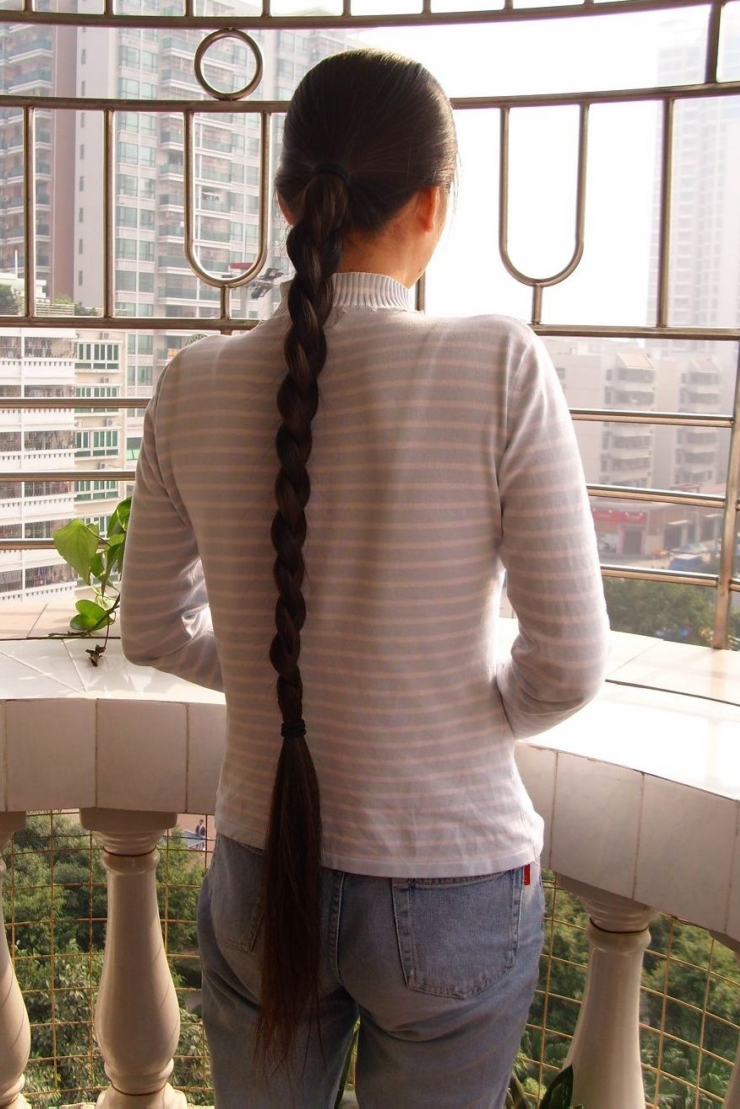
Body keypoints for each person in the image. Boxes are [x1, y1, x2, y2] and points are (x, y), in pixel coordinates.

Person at [120, 47, 609, 1109]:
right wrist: (449, 709)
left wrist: (285, 680)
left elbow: (151, 629)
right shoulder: (499, 363)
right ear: (433, 203)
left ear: (285, 199)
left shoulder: (189, 383)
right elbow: (569, 665)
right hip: (452, 877)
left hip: (261, 869)